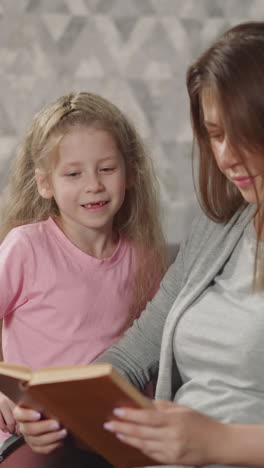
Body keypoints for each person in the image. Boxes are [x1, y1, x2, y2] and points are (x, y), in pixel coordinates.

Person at [14, 21, 264, 468]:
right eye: (215, 134)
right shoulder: (219, 226)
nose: (226, 157)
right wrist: (60, 408)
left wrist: (220, 442)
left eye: (242, 133)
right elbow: (136, 351)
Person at [0, 91, 167, 446]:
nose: (93, 184)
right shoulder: (26, 247)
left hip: (110, 436)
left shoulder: (145, 260)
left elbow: (155, 354)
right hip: (30, 433)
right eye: (73, 173)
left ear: (130, 173)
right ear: (45, 183)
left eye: (106, 169)